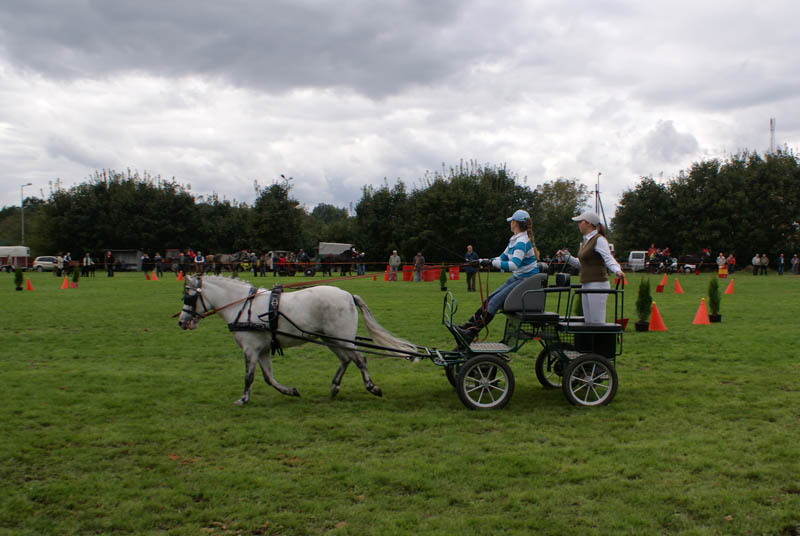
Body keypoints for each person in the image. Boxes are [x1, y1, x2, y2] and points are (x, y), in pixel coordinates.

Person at [454, 209, 540, 343]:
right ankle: (468, 327)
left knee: (493, 303)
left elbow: (514, 265)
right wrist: (482, 261)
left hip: (526, 281)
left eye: (511, 221)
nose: (510, 223)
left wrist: (491, 262)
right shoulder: (514, 240)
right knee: (489, 300)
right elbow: (501, 258)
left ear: (515, 223)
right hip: (518, 278)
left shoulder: (522, 242)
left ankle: (471, 333)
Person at [559, 211, 624, 324]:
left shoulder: (599, 240)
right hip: (587, 284)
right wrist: (566, 257)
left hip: (598, 284)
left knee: (597, 321)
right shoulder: (585, 241)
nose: (579, 224)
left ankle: (601, 342)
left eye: (580, 222)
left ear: (588, 223)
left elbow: (608, 258)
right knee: (589, 322)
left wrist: (617, 270)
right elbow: (581, 264)